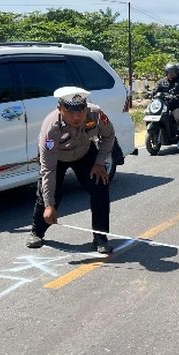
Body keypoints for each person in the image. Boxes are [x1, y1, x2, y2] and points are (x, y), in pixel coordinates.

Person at [26, 86, 115, 254]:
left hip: (84, 152)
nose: (77, 116)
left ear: (86, 107)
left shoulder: (95, 114)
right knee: (50, 195)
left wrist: (99, 162)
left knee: (100, 187)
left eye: (81, 111)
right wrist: (49, 204)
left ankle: (100, 237)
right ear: (60, 108)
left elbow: (109, 135)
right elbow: (48, 170)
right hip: (57, 158)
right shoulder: (51, 129)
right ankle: (36, 232)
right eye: (70, 112)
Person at [155, 63, 179, 151]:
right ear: (166, 72)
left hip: (175, 105)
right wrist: (151, 94)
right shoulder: (161, 82)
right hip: (163, 105)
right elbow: (155, 90)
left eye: (174, 72)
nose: (172, 74)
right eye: (170, 72)